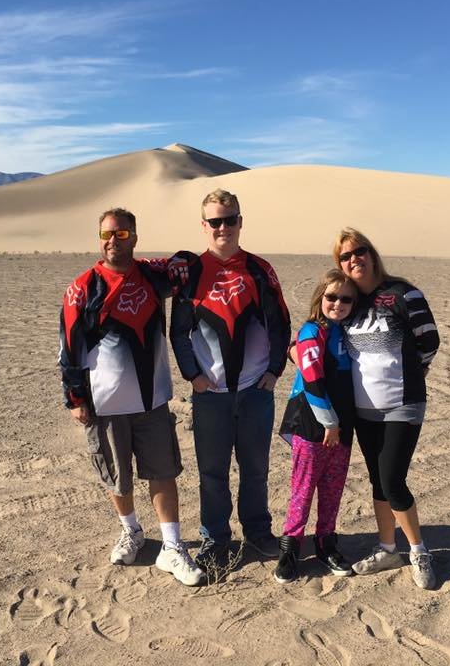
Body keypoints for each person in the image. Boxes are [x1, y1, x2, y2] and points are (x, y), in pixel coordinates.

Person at [58, 207, 205, 587]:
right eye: (106, 234)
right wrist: (75, 398)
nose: (113, 241)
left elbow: (189, 263)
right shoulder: (83, 288)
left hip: (152, 400)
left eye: (122, 234)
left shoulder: (152, 276)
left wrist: (177, 261)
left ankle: (171, 546)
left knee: (163, 472)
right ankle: (132, 531)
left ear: (134, 238)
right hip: (105, 403)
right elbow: (69, 346)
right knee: (116, 477)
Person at [170, 189, 291, 565]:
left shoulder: (259, 269)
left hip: (256, 391)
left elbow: (280, 323)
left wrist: (274, 371)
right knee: (212, 473)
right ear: (204, 225)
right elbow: (178, 331)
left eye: (229, 219)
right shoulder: (191, 273)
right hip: (211, 395)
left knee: (255, 469)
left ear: (240, 221)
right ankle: (215, 538)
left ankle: (257, 532)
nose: (223, 227)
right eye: (215, 221)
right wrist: (193, 376)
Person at [332, 227, 439, 589]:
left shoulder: (403, 294)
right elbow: (321, 328)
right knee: (378, 479)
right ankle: (387, 548)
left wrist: (414, 370)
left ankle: (418, 550)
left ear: (371, 253)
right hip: (364, 410)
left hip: (402, 405)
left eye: (359, 251)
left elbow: (429, 340)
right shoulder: (348, 300)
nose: (354, 259)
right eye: (345, 256)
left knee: (393, 479)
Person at [274, 269, 358, 583]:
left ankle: (326, 543)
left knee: (333, 488)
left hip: (343, 424)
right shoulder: (313, 330)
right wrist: (330, 423)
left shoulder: (349, 331)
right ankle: (290, 547)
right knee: (303, 488)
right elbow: (311, 379)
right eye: (331, 297)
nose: (338, 304)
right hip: (313, 423)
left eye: (346, 299)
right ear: (320, 297)